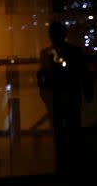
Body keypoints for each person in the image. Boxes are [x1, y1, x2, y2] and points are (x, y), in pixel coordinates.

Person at [37, 20, 92, 171]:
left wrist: (43, 93)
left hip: (56, 95)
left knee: (60, 130)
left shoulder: (46, 54)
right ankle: (72, 161)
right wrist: (88, 92)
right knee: (72, 126)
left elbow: (42, 76)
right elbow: (84, 74)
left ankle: (62, 160)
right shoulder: (75, 52)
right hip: (69, 93)